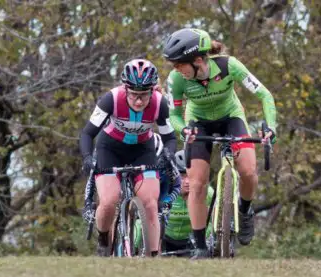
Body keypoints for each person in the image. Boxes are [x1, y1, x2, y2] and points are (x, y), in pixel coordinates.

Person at [162, 28, 277, 259]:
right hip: (198, 123)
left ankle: (244, 211)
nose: (176, 70)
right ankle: (201, 246)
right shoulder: (176, 80)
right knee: (197, 184)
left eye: (179, 65)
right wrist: (183, 129)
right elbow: (173, 115)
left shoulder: (229, 66)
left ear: (197, 60)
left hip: (231, 118)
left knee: (248, 171)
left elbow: (265, 95)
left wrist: (271, 127)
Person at [80, 59, 178, 257]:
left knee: (150, 203)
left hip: (142, 151)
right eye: (134, 95)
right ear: (126, 89)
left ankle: (152, 256)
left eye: (144, 95)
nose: (139, 101)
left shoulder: (160, 104)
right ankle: (103, 238)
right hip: (110, 150)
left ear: (153, 90)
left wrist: (167, 154)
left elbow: (170, 138)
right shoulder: (111, 99)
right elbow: (87, 134)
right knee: (108, 200)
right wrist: (88, 157)